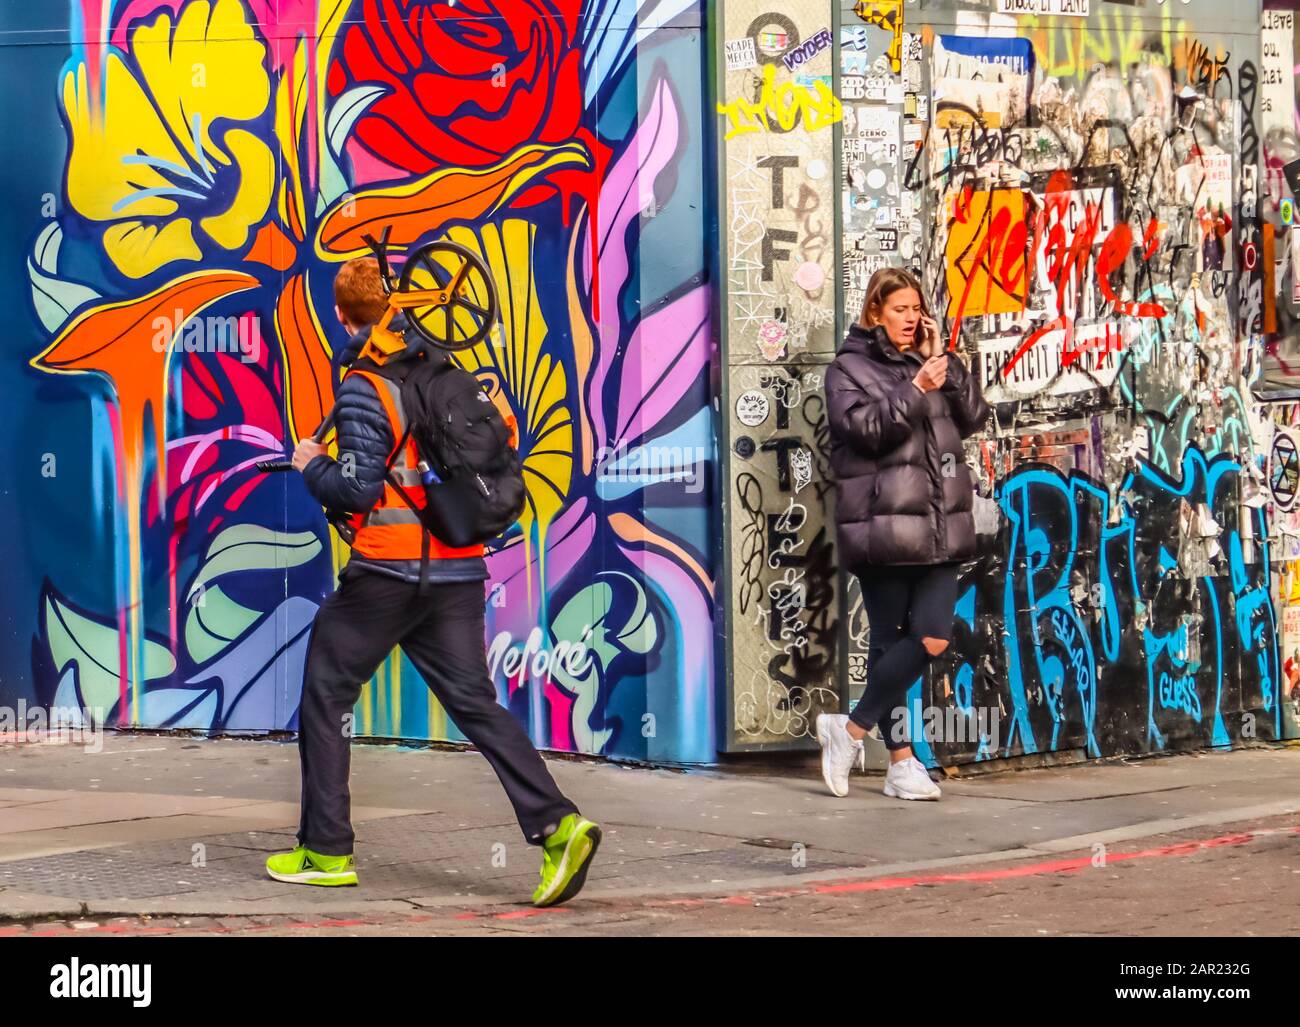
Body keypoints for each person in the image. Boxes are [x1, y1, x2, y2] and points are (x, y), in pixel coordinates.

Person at [265, 257, 601, 906]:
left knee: (326, 694)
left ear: (341, 315)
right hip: (455, 570)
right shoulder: (440, 371)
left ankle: (327, 850)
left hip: (386, 571)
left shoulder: (367, 386)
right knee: (475, 703)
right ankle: (559, 824)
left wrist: (312, 465)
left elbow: (359, 488)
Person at [817, 268, 989, 801]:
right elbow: (865, 432)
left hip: (938, 525)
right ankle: (901, 763)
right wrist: (916, 387)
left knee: (933, 636)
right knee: (891, 643)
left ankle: (847, 731)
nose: (912, 319)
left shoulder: (933, 365)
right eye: (900, 309)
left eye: (917, 309)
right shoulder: (847, 370)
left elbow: (974, 417)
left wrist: (945, 366)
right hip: (884, 527)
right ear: (875, 313)